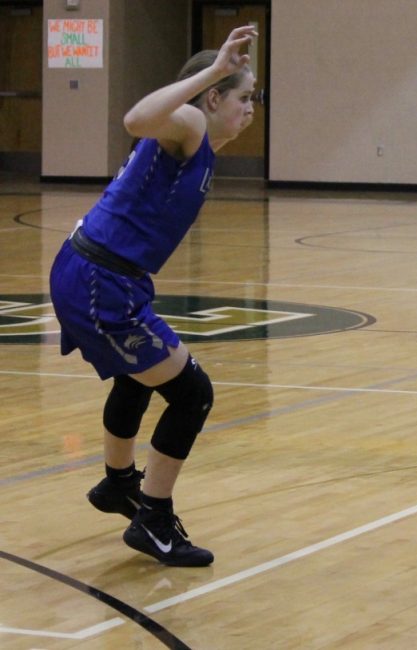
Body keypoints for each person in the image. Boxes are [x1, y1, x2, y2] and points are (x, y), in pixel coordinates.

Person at [49, 26, 258, 566]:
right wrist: (211, 71)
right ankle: (154, 517)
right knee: (192, 394)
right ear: (213, 97)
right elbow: (135, 120)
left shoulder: (202, 146)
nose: (251, 109)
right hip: (101, 279)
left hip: (99, 272)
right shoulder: (189, 122)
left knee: (136, 375)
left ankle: (119, 484)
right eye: (244, 97)